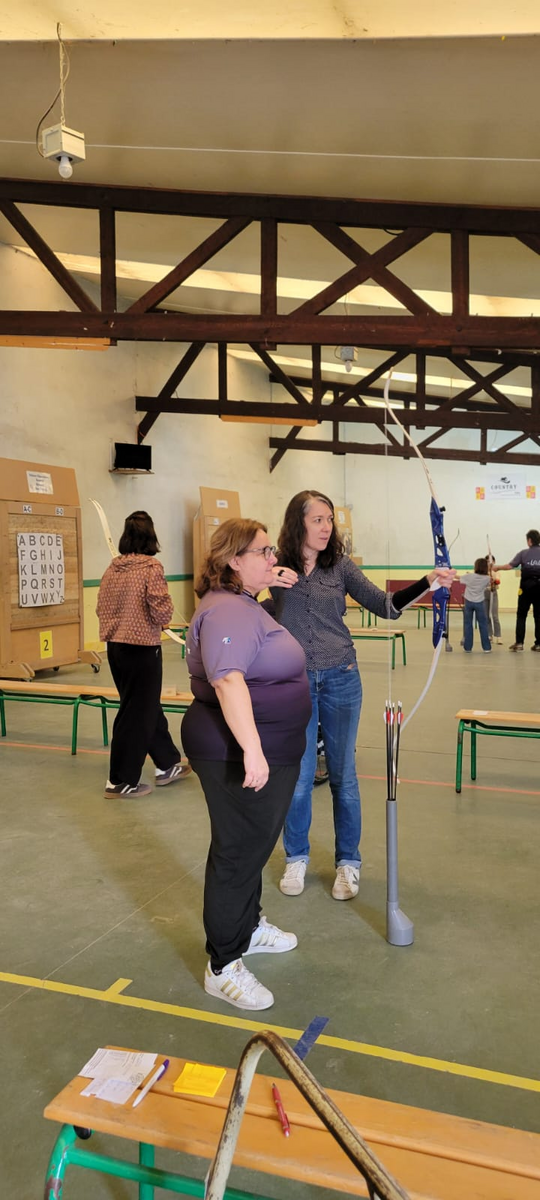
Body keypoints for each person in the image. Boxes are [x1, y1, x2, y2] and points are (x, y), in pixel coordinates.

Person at [269, 490, 456, 901]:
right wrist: (265, 581)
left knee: (343, 776)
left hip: (341, 678)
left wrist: (428, 581)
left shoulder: (340, 566)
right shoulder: (275, 565)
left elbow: (384, 605)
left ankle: (348, 863)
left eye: (329, 520)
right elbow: (244, 597)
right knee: (298, 777)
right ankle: (295, 857)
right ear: (297, 523)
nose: (326, 527)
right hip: (295, 683)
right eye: (317, 519)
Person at [181, 518, 312, 1011]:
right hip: (233, 750)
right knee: (237, 852)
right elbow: (228, 680)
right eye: (263, 551)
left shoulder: (244, 602)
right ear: (234, 560)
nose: (273, 557)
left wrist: (271, 585)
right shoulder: (227, 611)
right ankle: (223, 964)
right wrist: (253, 751)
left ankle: (249, 927)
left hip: (267, 745)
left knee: (254, 845)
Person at [96, 510, 190, 798]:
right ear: (151, 536)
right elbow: (161, 611)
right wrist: (162, 616)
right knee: (136, 712)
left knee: (143, 706)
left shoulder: (112, 568)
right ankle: (120, 781)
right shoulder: (151, 567)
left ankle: (167, 763)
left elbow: (100, 608)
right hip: (142, 649)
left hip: (115, 648)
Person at [493, 531, 540, 652]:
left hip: (526, 588)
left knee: (521, 615)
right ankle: (539, 644)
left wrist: (497, 567)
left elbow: (509, 566)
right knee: (538, 616)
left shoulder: (523, 553)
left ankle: (519, 643)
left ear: (529, 540)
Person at [458, 559, 492, 653]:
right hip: (480, 602)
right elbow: (489, 583)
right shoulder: (487, 578)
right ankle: (486, 648)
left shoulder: (469, 576)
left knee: (468, 624)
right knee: (483, 624)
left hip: (468, 602)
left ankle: (468, 648)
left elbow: (458, 578)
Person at [484, 555, 502, 644]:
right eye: (487, 561)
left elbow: (498, 581)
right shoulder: (482, 572)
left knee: (495, 616)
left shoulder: (496, 572)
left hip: (493, 593)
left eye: (491, 561)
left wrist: (494, 579)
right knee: (486, 616)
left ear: (494, 562)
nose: (489, 563)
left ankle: (498, 636)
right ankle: (489, 635)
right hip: (484, 594)